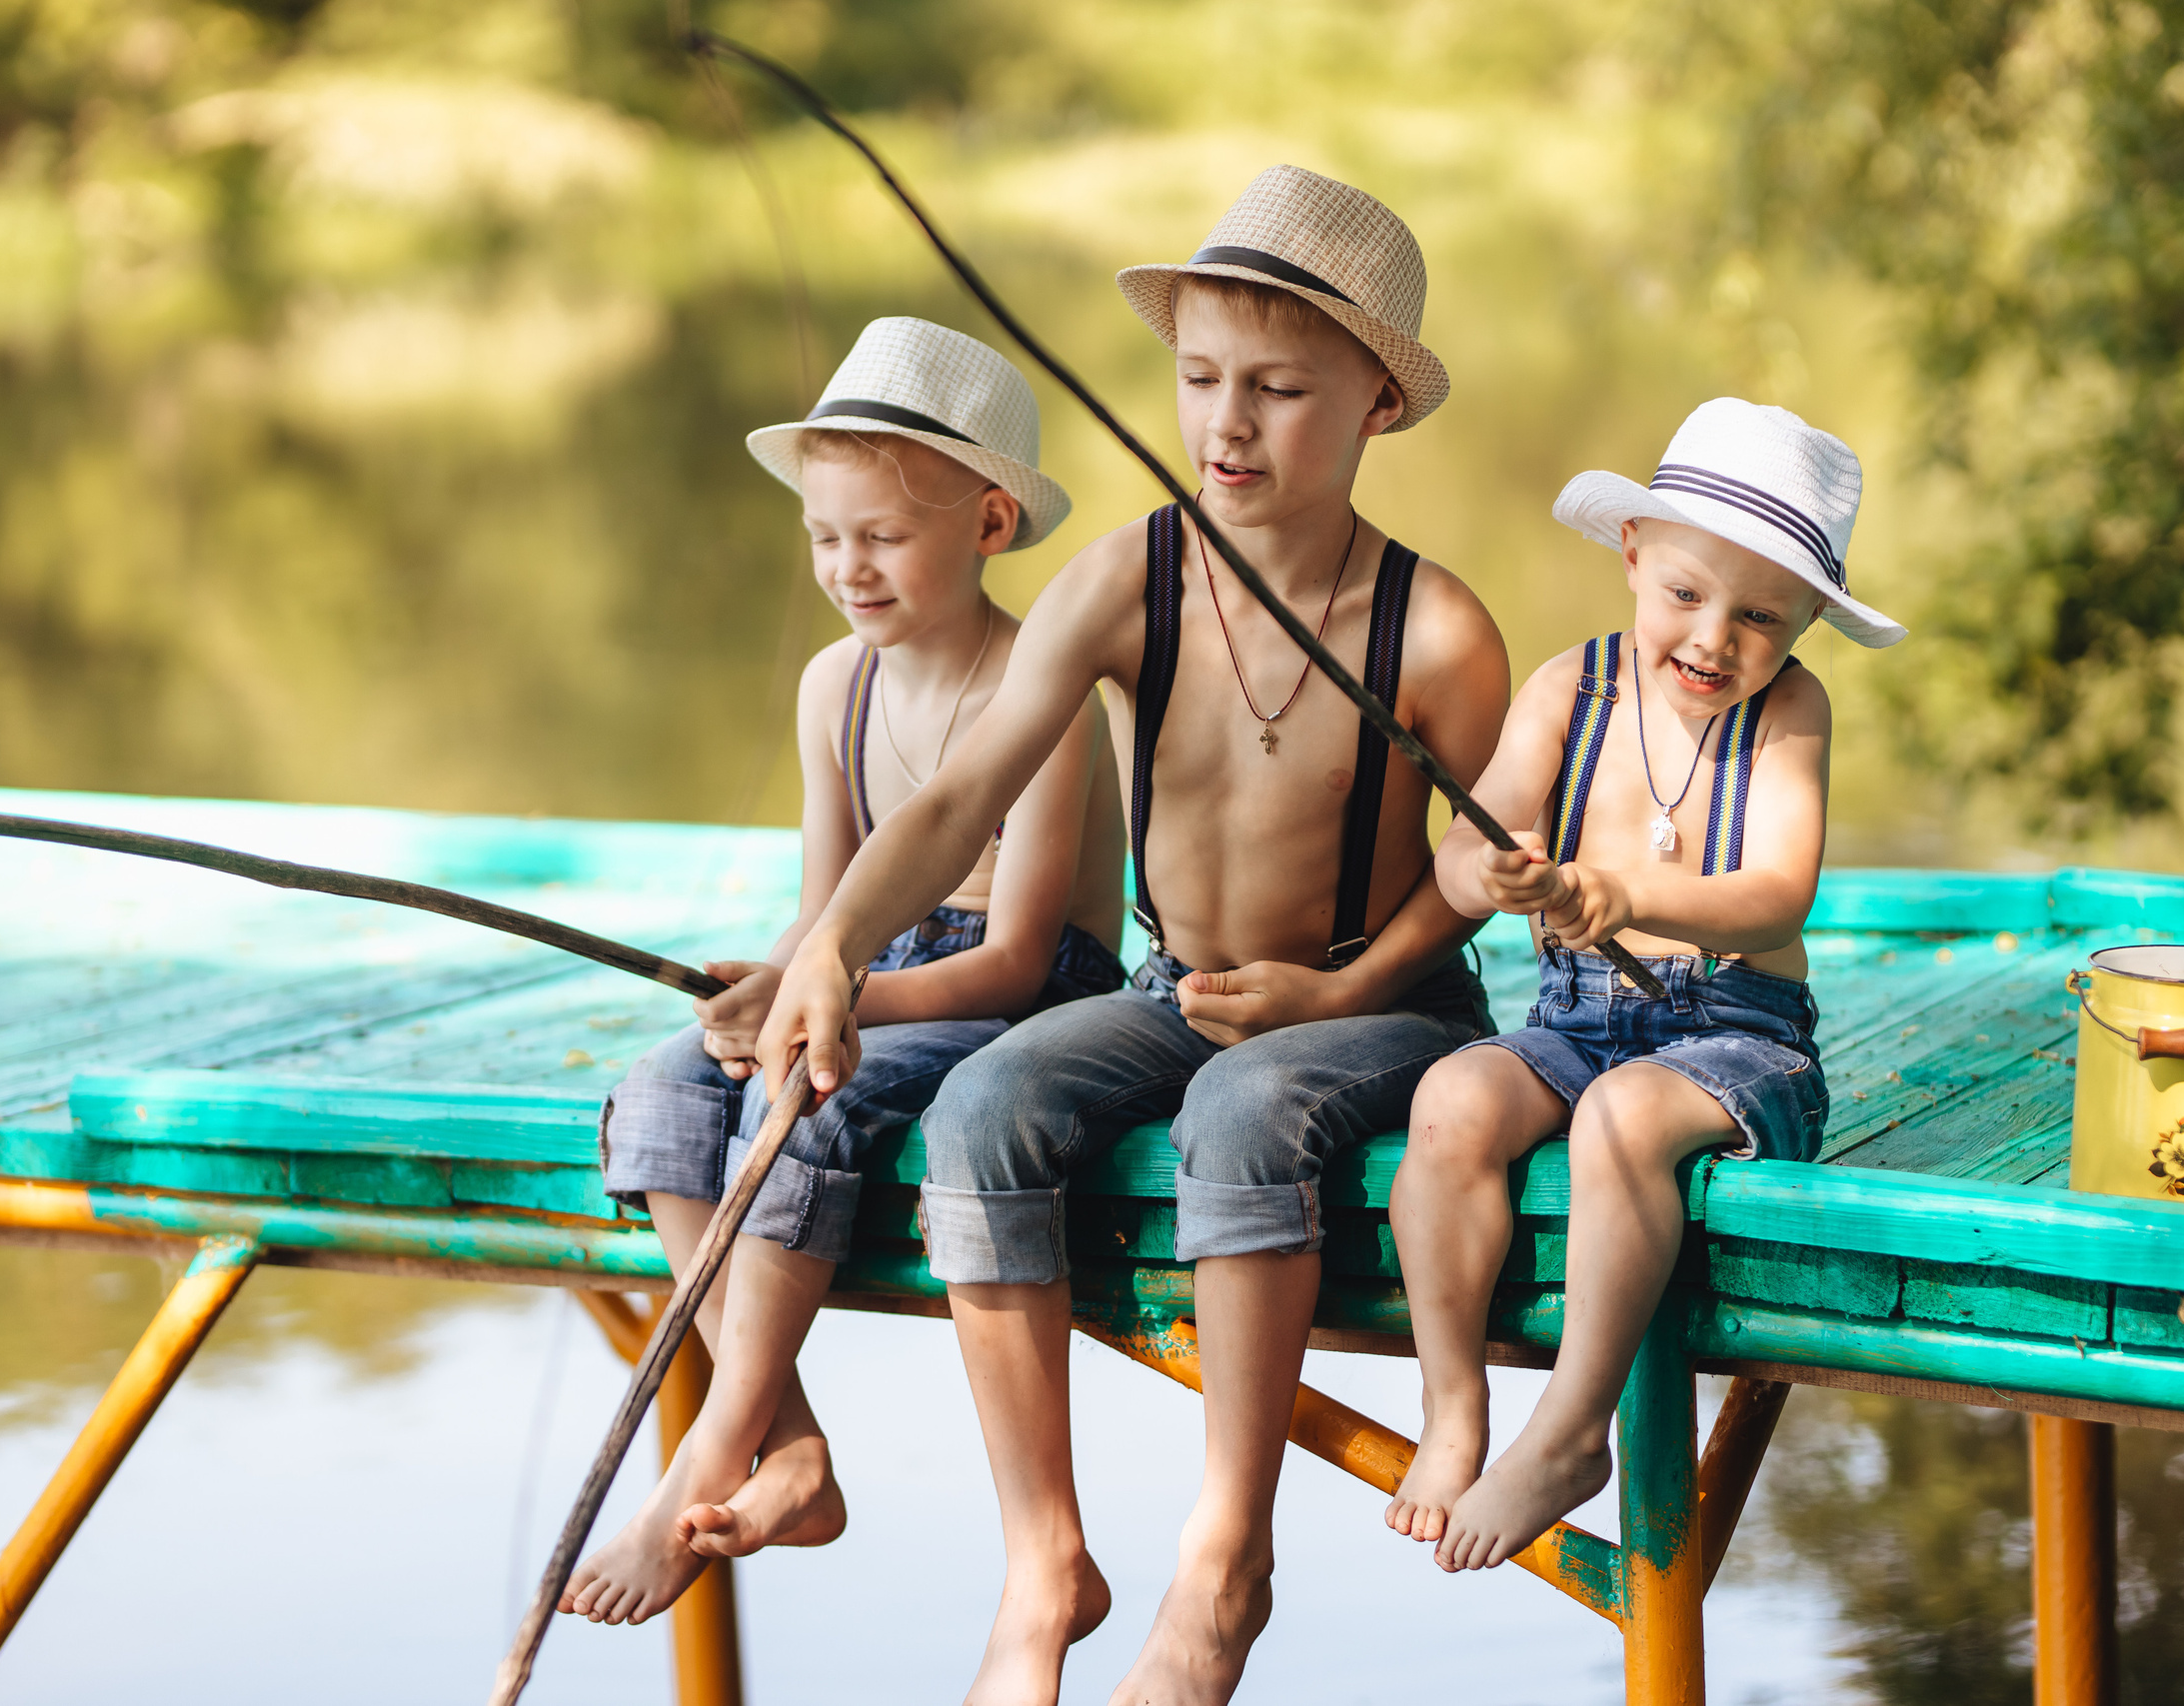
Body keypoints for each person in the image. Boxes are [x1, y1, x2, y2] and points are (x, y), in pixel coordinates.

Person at [756, 166, 1510, 1705]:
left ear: (1377, 403)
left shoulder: (1435, 630)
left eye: (1278, 388)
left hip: (1386, 1000)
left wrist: (1345, 989)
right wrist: (833, 941)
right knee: (984, 1105)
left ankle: (1227, 1554)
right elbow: (960, 789)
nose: (1227, 423)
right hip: (1186, 984)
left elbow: (1488, 866)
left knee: (1245, 1107)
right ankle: (1045, 1555)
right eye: (1201, 378)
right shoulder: (1127, 579)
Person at [563, 317, 1130, 1627]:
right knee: (665, 1089)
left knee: (808, 1089)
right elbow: (828, 911)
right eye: (824, 536)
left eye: (878, 534)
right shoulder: (836, 685)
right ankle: (791, 1446)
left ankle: (710, 1448)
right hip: (866, 976)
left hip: (1020, 996)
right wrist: (766, 986)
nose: (845, 566)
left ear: (990, 523)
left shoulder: (1042, 687)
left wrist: (834, 1002)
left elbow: (1019, 961)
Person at [1380, 398, 1906, 1571]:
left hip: (1735, 1035)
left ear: (1805, 620)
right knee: (1451, 1103)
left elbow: (1775, 896)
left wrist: (1628, 893)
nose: (1714, 640)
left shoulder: (1790, 711)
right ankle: (1452, 1403)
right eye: (1685, 594)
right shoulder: (1568, 690)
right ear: (1631, 554)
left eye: (1759, 616)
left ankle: (1571, 1432)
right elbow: (1461, 854)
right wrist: (1493, 871)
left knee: (1621, 1119)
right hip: (1573, 1018)